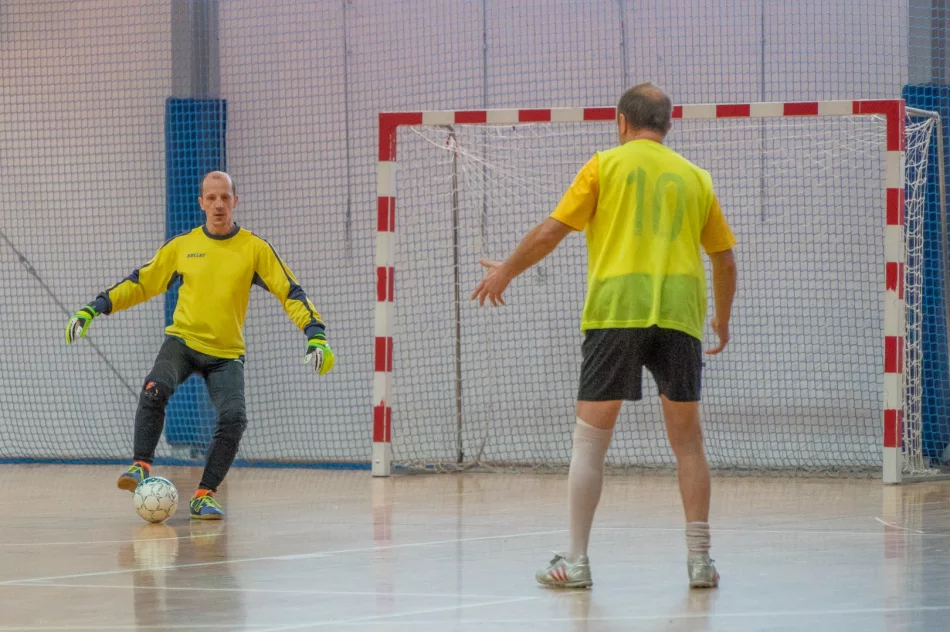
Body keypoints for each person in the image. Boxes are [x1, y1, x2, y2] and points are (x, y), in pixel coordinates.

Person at [472, 83, 737, 589]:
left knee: (590, 441)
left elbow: (552, 231)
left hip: (616, 311)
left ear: (621, 121)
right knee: (688, 444)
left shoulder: (603, 166)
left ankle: (575, 563)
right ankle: (701, 563)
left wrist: (506, 269)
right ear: (668, 124)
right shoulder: (696, 178)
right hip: (680, 315)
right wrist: (721, 321)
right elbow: (723, 257)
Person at [65, 171, 335, 519]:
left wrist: (316, 335)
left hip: (226, 355)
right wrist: (94, 308)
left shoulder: (255, 248)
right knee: (154, 389)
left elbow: (290, 291)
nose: (219, 204)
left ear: (235, 201)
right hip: (183, 342)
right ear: (201, 203)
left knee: (234, 418)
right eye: (211, 198)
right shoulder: (183, 246)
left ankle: (205, 494)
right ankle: (139, 466)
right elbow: (141, 282)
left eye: (225, 197)